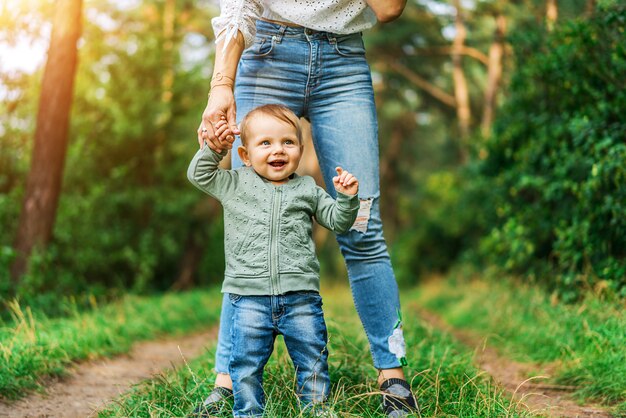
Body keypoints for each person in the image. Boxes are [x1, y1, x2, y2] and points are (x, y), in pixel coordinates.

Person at [194, 1, 418, 417]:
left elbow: (388, 9)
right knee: (251, 222)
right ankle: (225, 384)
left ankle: (393, 380)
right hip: (266, 51)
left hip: (343, 60)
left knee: (364, 228)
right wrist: (221, 84)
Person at [188, 104, 360, 417]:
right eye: (265, 143)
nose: (277, 150)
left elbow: (338, 221)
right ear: (245, 154)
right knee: (245, 366)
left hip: (301, 299)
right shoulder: (235, 183)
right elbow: (198, 174)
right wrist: (214, 148)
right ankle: (249, 412)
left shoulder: (308, 188)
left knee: (313, 361)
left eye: (287, 142)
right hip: (248, 299)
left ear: (300, 149)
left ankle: (316, 410)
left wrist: (347, 198)